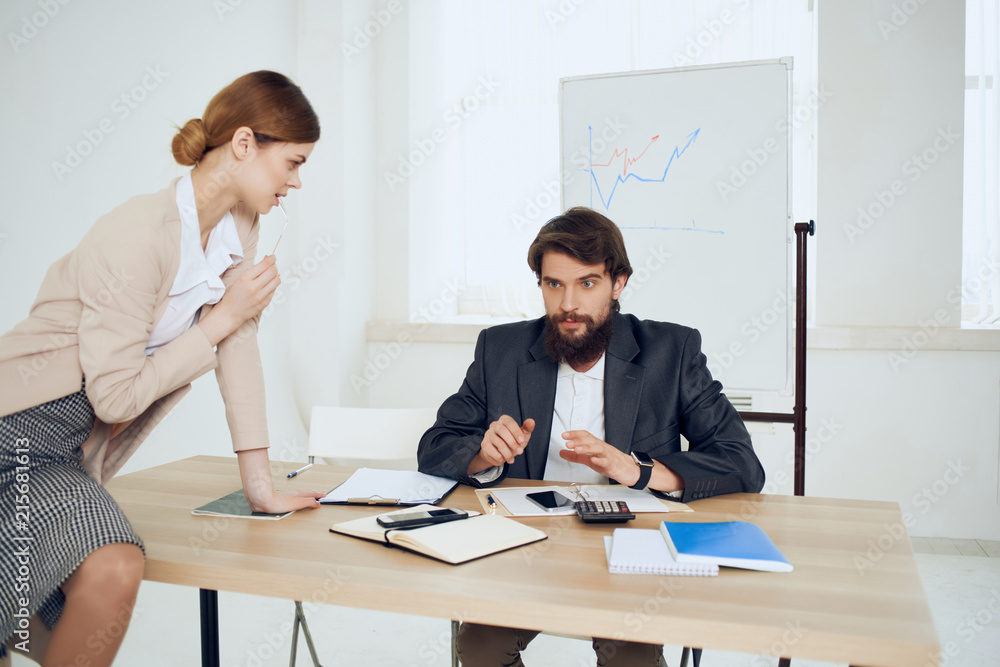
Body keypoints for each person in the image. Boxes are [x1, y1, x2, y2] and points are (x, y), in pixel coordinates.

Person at [0, 70, 325, 666]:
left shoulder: (239, 228)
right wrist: (220, 319)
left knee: (108, 568)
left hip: (70, 449)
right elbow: (116, 399)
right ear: (246, 144)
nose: (297, 182)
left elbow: (237, 341)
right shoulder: (137, 236)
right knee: (84, 588)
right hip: (16, 436)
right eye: (293, 163)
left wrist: (259, 486)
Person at [417, 206, 765, 667]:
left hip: (629, 549)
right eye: (553, 284)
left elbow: (742, 463)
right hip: (526, 547)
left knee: (630, 655)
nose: (567, 305)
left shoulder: (671, 352)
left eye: (587, 283)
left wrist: (637, 469)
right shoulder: (499, 349)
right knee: (478, 646)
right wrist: (481, 456)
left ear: (617, 283)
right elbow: (434, 448)